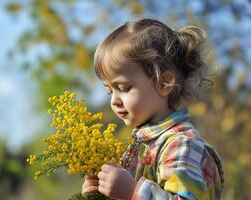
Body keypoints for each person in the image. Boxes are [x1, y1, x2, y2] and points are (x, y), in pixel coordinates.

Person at [82, 18, 224, 200]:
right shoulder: (144, 145)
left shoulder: (181, 145)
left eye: (124, 88)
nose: (114, 101)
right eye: (110, 91)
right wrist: (101, 194)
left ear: (164, 83)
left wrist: (131, 192)